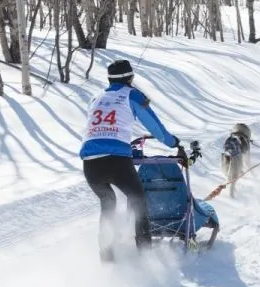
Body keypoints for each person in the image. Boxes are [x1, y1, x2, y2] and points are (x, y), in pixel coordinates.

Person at [79, 60, 185, 261]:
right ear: (130, 78)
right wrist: (173, 143)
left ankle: (107, 258)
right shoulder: (132, 94)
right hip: (116, 159)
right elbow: (155, 127)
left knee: (107, 203)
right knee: (138, 200)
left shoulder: (96, 97)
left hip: (90, 162)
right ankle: (145, 256)